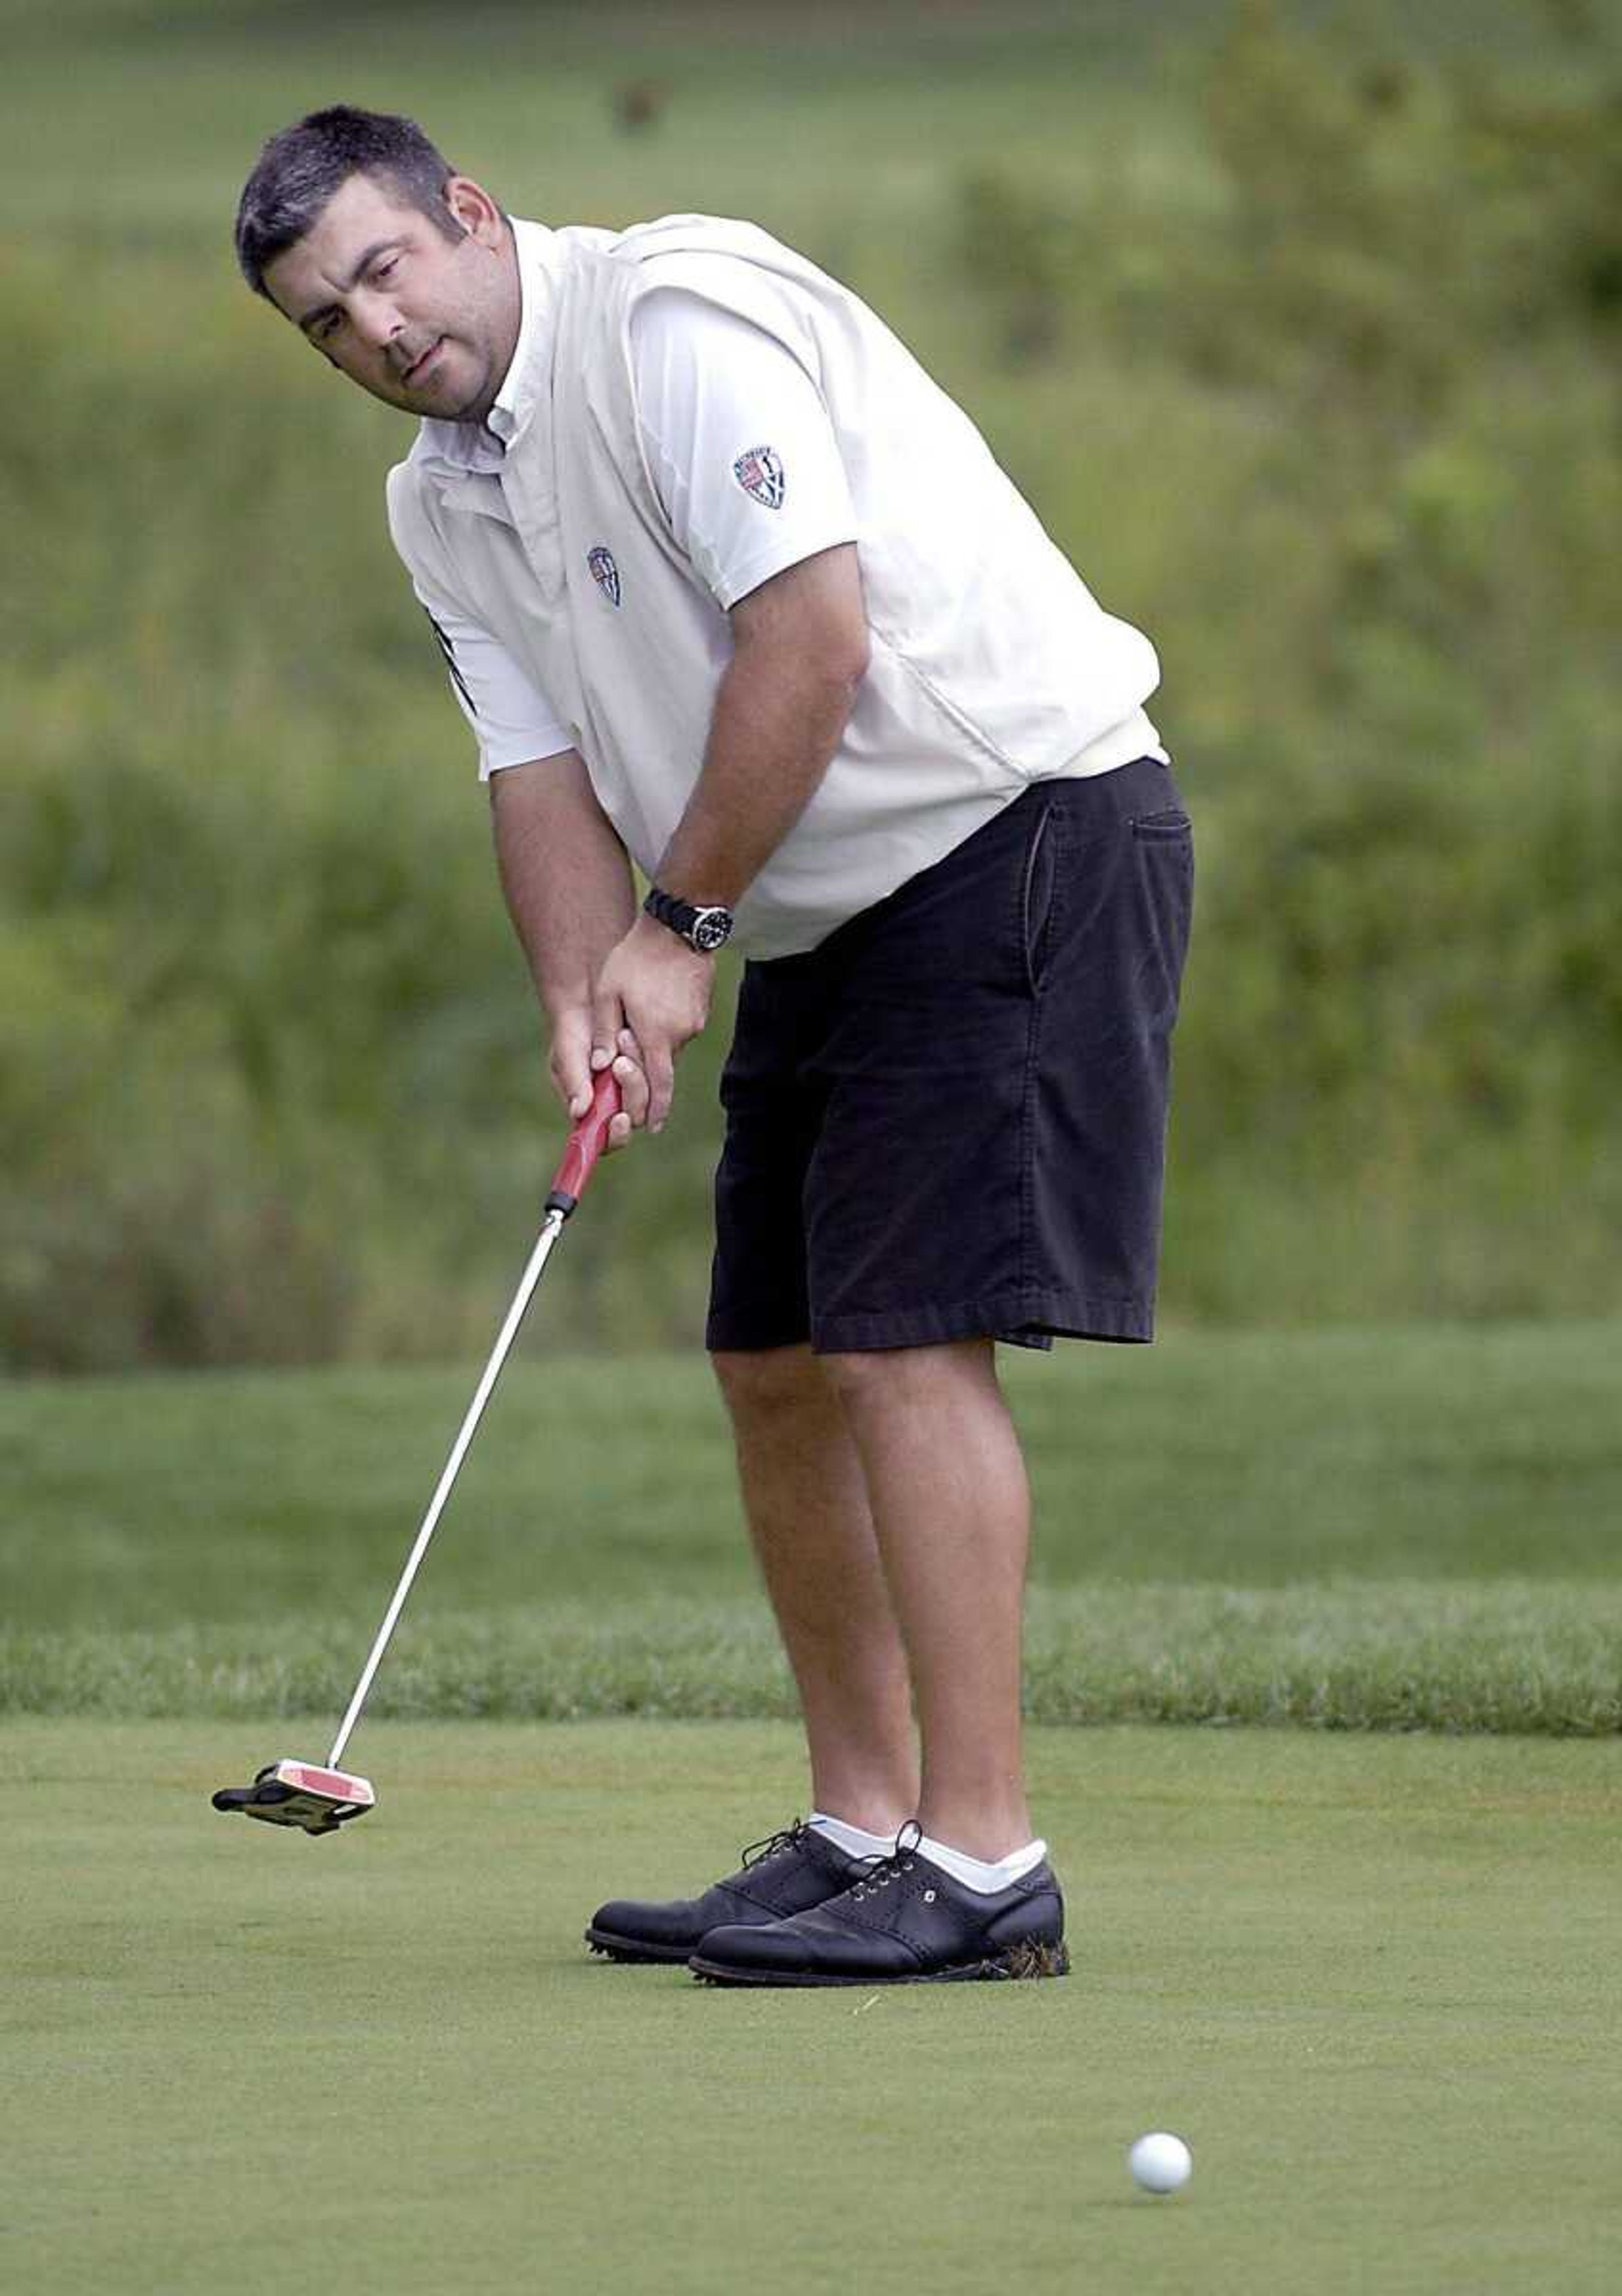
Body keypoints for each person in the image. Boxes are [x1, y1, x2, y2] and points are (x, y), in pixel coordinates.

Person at [234, 105, 1193, 1988]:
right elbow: (533, 765)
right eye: (324, 323)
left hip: (1016, 823)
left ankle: (987, 1862)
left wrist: (676, 936)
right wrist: (582, 988)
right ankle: (860, 1828)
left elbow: (813, 639)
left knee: (904, 1342)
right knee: (771, 1358)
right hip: (819, 896)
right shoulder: (438, 496)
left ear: (467, 216)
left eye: (382, 269)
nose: (373, 330)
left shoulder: (667, 326)